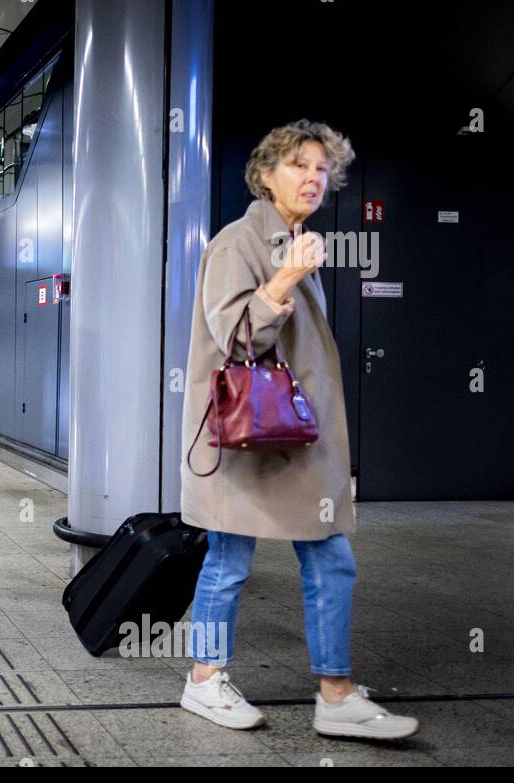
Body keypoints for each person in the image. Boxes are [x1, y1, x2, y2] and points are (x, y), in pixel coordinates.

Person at [178, 120, 418, 740]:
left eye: (321, 169)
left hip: (290, 441)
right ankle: (204, 681)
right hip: (247, 440)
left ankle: (334, 692)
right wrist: (283, 278)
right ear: (264, 175)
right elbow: (234, 337)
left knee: (330, 557)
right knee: (228, 561)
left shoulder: (294, 240)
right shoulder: (240, 243)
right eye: (298, 166)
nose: (313, 178)